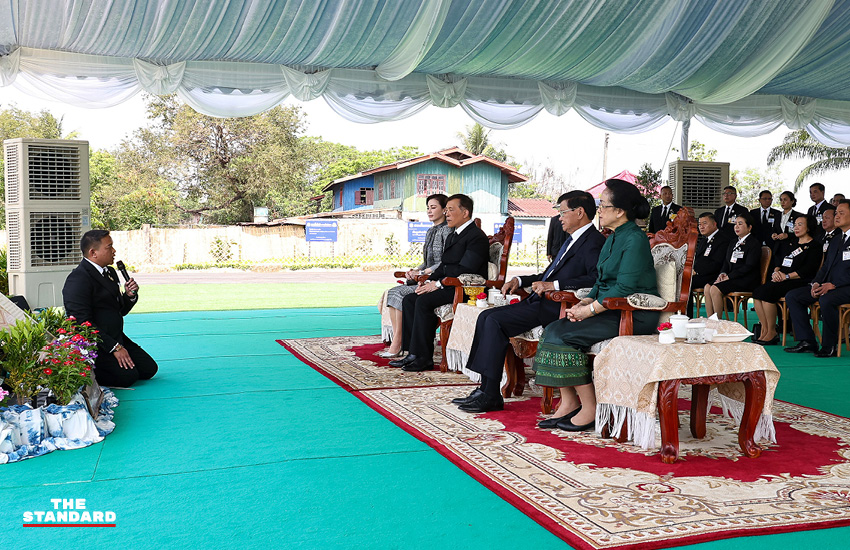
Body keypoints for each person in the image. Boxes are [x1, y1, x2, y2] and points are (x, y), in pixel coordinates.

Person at [453, 191, 605, 414]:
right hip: (540, 301)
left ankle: (490, 393)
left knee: (494, 320)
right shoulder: (571, 239)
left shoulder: (594, 241)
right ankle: (486, 388)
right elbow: (547, 273)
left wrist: (554, 286)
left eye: (562, 212)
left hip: (558, 306)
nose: (559, 217)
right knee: (486, 316)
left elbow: (594, 278)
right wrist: (520, 280)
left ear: (579, 212)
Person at [531, 179, 658, 432]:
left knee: (562, 336)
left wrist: (589, 310)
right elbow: (601, 282)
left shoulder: (635, 239)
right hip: (608, 308)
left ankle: (590, 407)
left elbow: (624, 288)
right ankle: (568, 403)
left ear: (620, 211)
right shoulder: (611, 238)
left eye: (603, 205)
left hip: (632, 313)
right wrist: (586, 302)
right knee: (552, 329)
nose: (599, 209)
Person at [390, 194, 489, 372]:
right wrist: (427, 281)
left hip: (464, 288)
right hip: (447, 283)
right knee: (410, 299)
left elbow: (465, 269)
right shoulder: (455, 235)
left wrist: (436, 285)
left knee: (423, 301)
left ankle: (423, 358)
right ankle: (413, 354)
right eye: (446, 210)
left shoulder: (476, 237)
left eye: (451, 210)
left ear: (465, 212)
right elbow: (444, 265)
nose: (447, 214)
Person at [62, 230, 158, 388]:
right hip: (97, 343)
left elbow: (120, 310)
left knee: (149, 369)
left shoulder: (110, 273)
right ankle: (89, 373)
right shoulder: (78, 279)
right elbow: (80, 323)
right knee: (128, 377)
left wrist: (129, 296)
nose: (114, 251)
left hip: (116, 336)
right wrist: (114, 347)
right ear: (94, 252)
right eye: (109, 247)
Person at [377, 194, 451, 358]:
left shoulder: (448, 231)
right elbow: (427, 262)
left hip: (438, 280)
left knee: (401, 293)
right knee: (393, 292)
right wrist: (416, 270)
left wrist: (424, 273)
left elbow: (445, 261)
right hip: (426, 276)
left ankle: (397, 344)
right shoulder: (431, 230)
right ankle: (400, 342)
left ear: (445, 210)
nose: (429, 211)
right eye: (428, 208)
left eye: (433, 207)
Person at [785, 200, 850, 358]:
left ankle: (830, 345)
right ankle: (807, 341)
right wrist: (815, 283)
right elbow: (826, 266)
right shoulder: (836, 239)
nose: (837, 216)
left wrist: (833, 285)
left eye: (841, 213)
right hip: (828, 285)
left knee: (827, 300)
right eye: (836, 213)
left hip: (845, 286)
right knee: (793, 296)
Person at [751, 215, 823, 345]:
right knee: (757, 292)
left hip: (800, 280)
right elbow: (781, 262)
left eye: (800, 224)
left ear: (808, 227)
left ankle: (772, 331)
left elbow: (808, 269)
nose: (796, 227)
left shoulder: (815, 246)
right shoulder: (792, 243)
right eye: (795, 224)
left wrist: (787, 276)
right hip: (784, 279)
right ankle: (765, 330)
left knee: (767, 293)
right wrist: (776, 272)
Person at [702, 212, 762, 318]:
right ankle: (710, 320)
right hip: (731, 277)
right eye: (735, 224)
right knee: (708, 287)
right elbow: (726, 261)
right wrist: (723, 273)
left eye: (740, 224)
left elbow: (749, 266)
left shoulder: (754, 243)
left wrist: (729, 276)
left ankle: (717, 322)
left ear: (749, 227)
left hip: (746, 279)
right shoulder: (733, 242)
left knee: (715, 289)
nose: (736, 227)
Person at [687, 212, 732, 317]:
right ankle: (681, 314)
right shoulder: (703, 241)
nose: (701, 227)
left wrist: (697, 271)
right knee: (682, 280)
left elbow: (717, 263)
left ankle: (687, 316)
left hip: (713, 275)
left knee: (686, 283)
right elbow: (698, 260)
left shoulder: (722, 239)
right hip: (701, 275)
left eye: (704, 223)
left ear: (714, 224)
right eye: (699, 224)